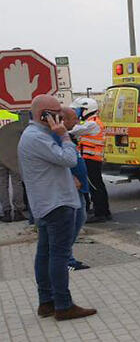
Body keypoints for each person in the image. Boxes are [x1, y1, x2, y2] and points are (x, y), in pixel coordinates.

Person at [18, 95, 97, 321]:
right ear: (43, 114)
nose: (60, 116)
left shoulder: (36, 135)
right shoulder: (38, 138)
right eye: (56, 112)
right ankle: (63, 304)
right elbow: (69, 159)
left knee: (45, 253)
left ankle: (47, 302)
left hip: (46, 202)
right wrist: (64, 136)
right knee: (59, 255)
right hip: (56, 203)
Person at [71, 97, 111, 223]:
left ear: (87, 110)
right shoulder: (92, 122)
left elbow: (73, 131)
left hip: (91, 159)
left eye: (80, 110)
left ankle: (101, 213)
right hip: (92, 158)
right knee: (97, 185)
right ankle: (103, 210)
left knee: (95, 186)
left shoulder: (92, 123)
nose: (78, 112)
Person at [61, 107, 90, 271]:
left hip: (79, 186)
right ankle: (66, 258)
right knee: (74, 220)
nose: (77, 122)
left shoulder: (67, 136)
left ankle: (67, 256)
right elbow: (61, 160)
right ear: (64, 120)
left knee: (79, 219)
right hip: (71, 187)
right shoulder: (59, 137)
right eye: (74, 119)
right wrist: (71, 177)